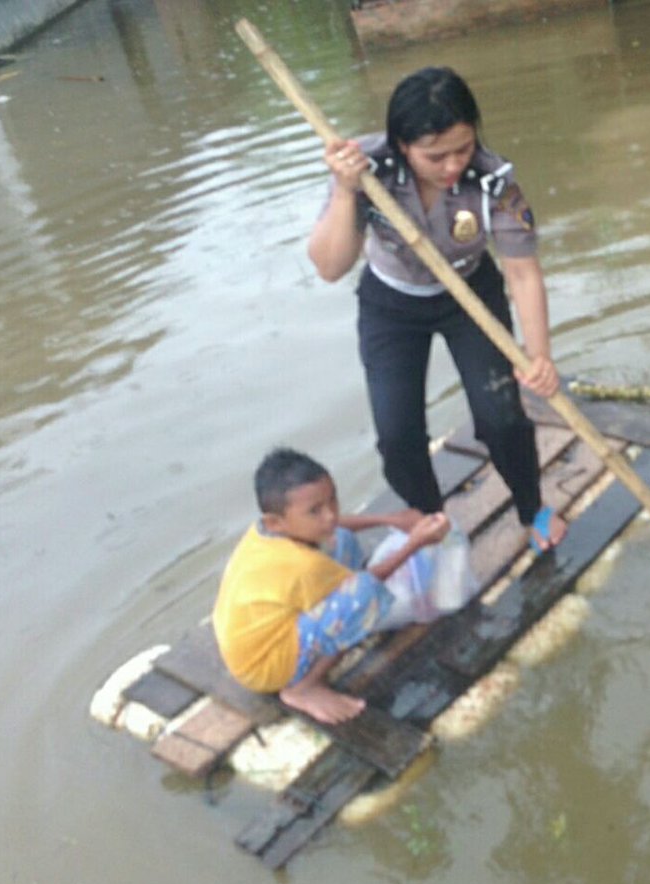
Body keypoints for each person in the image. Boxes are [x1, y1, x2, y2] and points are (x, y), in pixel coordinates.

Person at [307, 65, 566, 554]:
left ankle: (533, 508)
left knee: (502, 417)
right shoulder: (364, 169)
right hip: (391, 303)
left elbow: (523, 272)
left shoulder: (493, 182)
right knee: (397, 433)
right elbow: (328, 267)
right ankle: (430, 521)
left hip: (471, 296)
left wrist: (538, 356)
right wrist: (345, 191)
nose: (451, 166)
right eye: (435, 156)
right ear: (403, 145)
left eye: (462, 149)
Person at [212, 447, 452, 724]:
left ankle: (321, 635)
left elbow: (335, 526)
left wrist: (389, 520)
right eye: (315, 511)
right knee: (365, 596)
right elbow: (368, 585)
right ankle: (303, 687)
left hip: (249, 639)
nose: (329, 515)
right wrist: (414, 544)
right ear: (275, 521)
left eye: (332, 501)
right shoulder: (302, 565)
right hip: (264, 667)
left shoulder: (264, 531)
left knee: (341, 539)